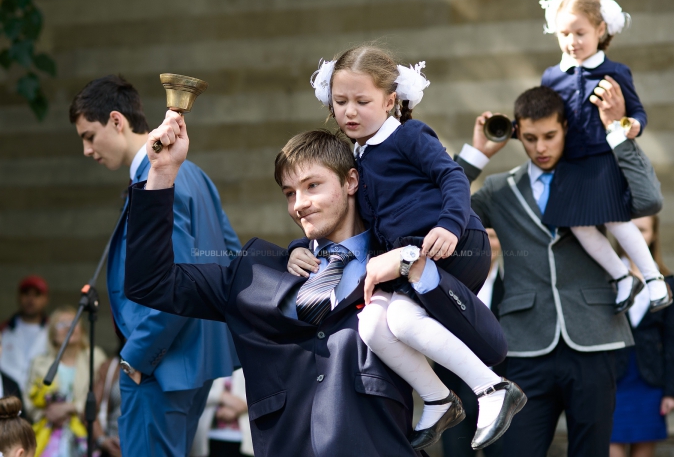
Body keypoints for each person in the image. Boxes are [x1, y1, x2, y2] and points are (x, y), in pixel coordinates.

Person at [122, 115, 507, 457]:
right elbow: (150, 283)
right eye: (290, 193)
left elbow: (490, 344)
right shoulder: (253, 274)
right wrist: (161, 174)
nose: (299, 204)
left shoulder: (403, 266)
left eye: (312, 186)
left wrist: (414, 263)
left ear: (351, 181)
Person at [289, 45, 524, 451]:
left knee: (401, 316)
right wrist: (301, 244)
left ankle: (492, 389)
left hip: (452, 245)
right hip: (407, 260)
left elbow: (451, 177)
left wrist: (450, 225)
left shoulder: (409, 136)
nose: (350, 111)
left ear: (390, 101)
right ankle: (437, 399)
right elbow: (337, 215)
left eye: (362, 101)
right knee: (373, 324)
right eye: (341, 101)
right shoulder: (355, 157)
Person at [454, 84, 662, 457]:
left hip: (595, 336)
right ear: (517, 132)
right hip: (524, 344)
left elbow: (648, 200)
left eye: (550, 135)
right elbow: (441, 211)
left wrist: (619, 134)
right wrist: (477, 155)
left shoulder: (596, 176)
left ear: (565, 126)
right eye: (530, 138)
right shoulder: (500, 190)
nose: (541, 148)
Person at [69, 75, 242, 456]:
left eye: (88, 135)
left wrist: (137, 357)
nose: (86, 149)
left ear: (117, 120)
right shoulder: (196, 173)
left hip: (159, 366)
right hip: (194, 365)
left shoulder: (159, 177)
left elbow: (175, 276)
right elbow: (229, 258)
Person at [538, 0, 670, 312]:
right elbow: (543, 119)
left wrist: (632, 124)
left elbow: (637, 113)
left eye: (580, 32)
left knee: (616, 220)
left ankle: (653, 279)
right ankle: (623, 276)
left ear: (600, 30)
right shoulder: (552, 76)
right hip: (570, 163)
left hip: (604, 159)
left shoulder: (616, 71)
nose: (572, 41)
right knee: (577, 223)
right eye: (564, 33)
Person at [610, 215, 674, 457]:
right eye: (631, 230)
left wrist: (671, 391)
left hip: (649, 381)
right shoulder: (606, 275)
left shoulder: (666, 280)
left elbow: (670, 339)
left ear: (654, 235)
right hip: (612, 381)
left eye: (643, 230)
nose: (636, 236)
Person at [436, 228, 506, 457]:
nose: (486, 244)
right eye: (482, 236)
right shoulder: (449, 283)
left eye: (493, 237)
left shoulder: (512, 288)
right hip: (455, 390)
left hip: (498, 389)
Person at [25, 306, 107, 457]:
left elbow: (102, 397)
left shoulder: (95, 357)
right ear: (53, 334)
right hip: (47, 436)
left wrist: (71, 407)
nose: (69, 327)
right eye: (61, 324)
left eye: (73, 322)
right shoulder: (39, 363)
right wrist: (47, 414)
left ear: (81, 329)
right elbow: (29, 401)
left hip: (85, 435)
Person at [0, 275, 50, 392]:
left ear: (46, 299)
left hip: (40, 398)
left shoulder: (53, 332)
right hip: (7, 396)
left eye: (37, 295)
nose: (31, 299)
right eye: (26, 294)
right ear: (19, 297)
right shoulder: (3, 330)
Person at [191, 369, 253, 457]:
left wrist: (236, 408)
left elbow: (264, 390)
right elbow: (193, 393)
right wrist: (221, 396)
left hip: (246, 438)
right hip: (208, 437)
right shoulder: (205, 360)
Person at [92, 334, 125, 457]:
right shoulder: (111, 366)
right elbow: (90, 411)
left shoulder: (159, 364)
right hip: (114, 445)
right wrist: (103, 441)